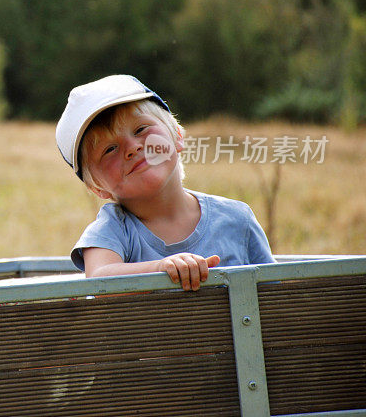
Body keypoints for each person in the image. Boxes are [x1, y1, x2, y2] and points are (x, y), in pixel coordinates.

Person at [55, 74, 275, 291]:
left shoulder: (237, 220)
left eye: (140, 129)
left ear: (177, 135)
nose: (133, 147)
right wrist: (161, 268)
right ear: (97, 188)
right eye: (110, 149)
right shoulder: (114, 229)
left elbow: (274, 297)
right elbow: (98, 278)